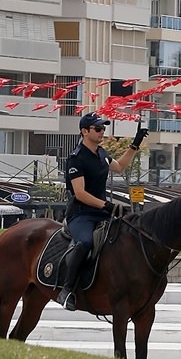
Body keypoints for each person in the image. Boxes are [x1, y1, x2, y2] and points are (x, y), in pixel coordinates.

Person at [56, 111, 149, 311]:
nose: (102, 132)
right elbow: (79, 193)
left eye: (103, 128)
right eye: (98, 128)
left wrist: (135, 144)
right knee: (85, 243)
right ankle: (67, 290)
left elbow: (121, 167)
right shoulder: (76, 158)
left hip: (101, 211)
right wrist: (105, 205)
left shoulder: (102, 154)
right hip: (81, 214)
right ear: (84, 131)